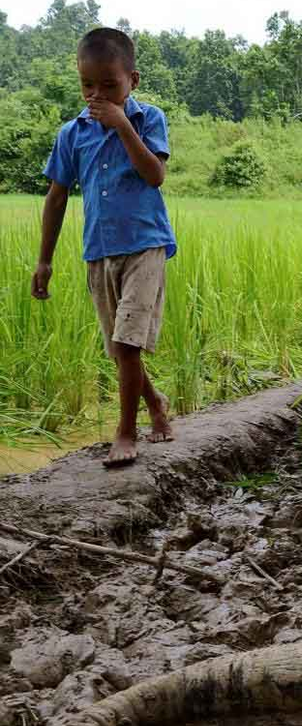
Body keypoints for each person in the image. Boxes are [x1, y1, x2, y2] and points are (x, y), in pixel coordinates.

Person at [32, 27, 177, 467]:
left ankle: (126, 432)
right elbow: (57, 196)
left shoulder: (148, 118)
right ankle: (155, 404)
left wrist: (121, 124)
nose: (97, 95)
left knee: (128, 344)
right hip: (99, 250)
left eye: (109, 85)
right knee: (119, 348)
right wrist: (44, 260)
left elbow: (155, 175)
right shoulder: (72, 134)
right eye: (87, 86)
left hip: (145, 245)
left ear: (132, 80)